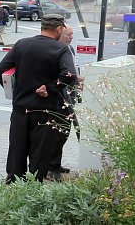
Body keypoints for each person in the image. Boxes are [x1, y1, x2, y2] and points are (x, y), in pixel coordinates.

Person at [0, 14, 77, 183]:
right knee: (39, 159)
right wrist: (50, 87)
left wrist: (15, 90)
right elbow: (69, 74)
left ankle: (12, 191)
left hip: (20, 110)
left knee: (17, 154)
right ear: (59, 29)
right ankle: (32, 191)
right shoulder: (60, 49)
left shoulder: (22, 44)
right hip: (46, 112)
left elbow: (0, 69)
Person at [49, 24, 84, 180]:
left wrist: (77, 83)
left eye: (72, 34)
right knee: (57, 133)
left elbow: (73, 70)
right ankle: (51, 167)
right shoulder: (55, 51)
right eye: (68, 34)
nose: (71, 37)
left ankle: (56, 163)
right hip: (58, 97)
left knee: (64, 132)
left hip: (69, 97)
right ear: (60, 34)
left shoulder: (70, 49)